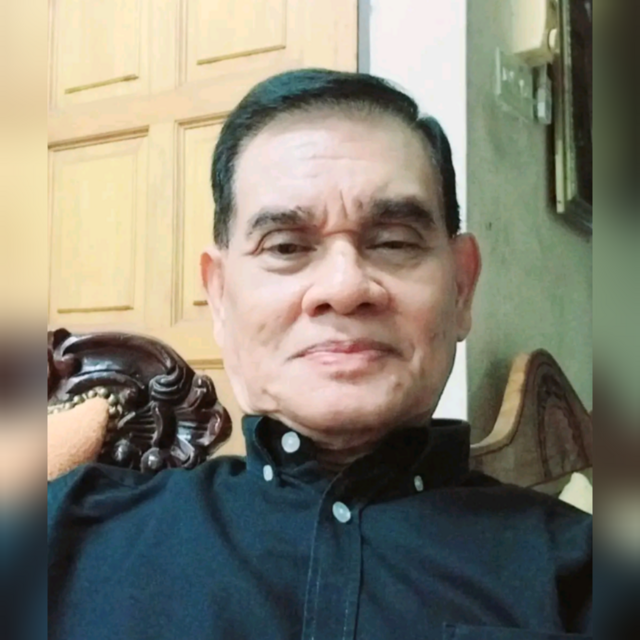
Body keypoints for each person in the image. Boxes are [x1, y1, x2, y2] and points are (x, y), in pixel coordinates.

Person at [48, 69, 592, 639]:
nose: (345, 287)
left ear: (461, 288)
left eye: (394, 242)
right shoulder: (66, 532)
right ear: (221, 298)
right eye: (285, 246)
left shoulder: (583, 579)